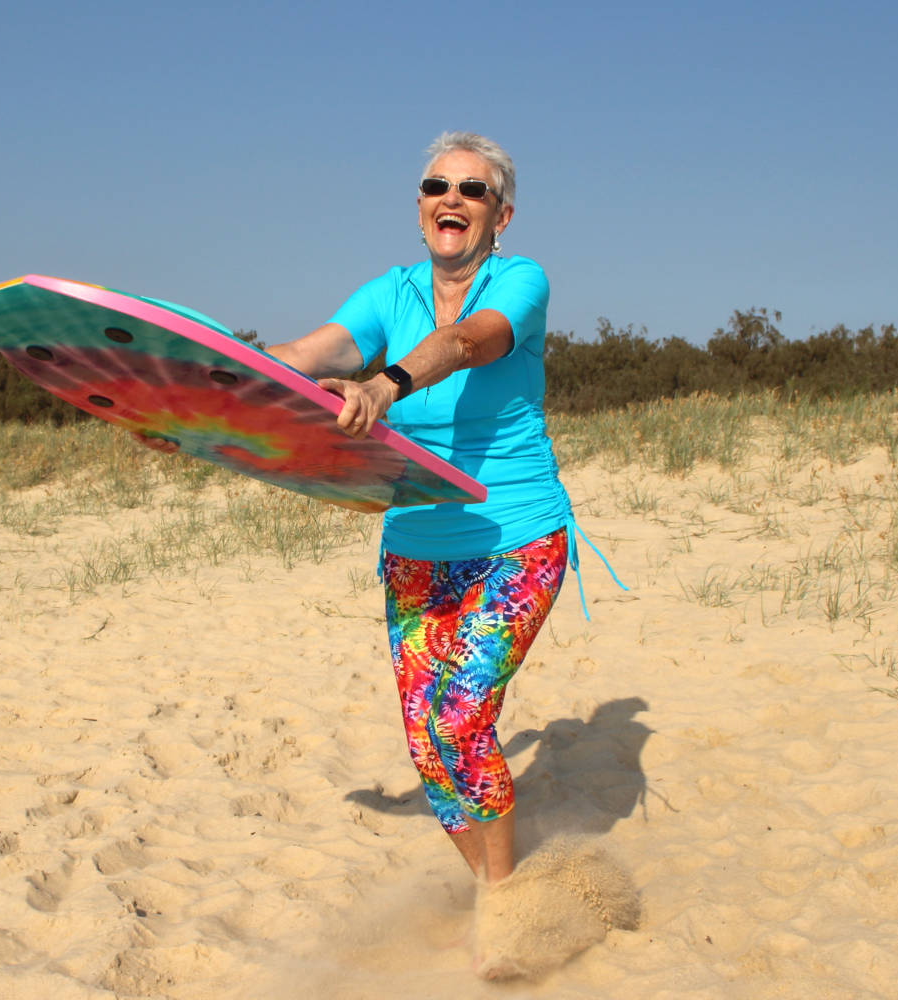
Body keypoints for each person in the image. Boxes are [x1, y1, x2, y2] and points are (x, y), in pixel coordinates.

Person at [144, 132, 612, 884]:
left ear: (502, 215)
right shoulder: (387, 294)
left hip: (517, 543)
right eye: (436, 187)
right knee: (428, 750)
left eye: (472, 190)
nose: (451, 200)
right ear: (420, 207)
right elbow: (307, 355)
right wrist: (197, 406)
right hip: (415, 550)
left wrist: (384, 386)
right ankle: (498, 884)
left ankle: (507, 899)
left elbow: (467, 342)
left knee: (458, 723)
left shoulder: (520, 281)